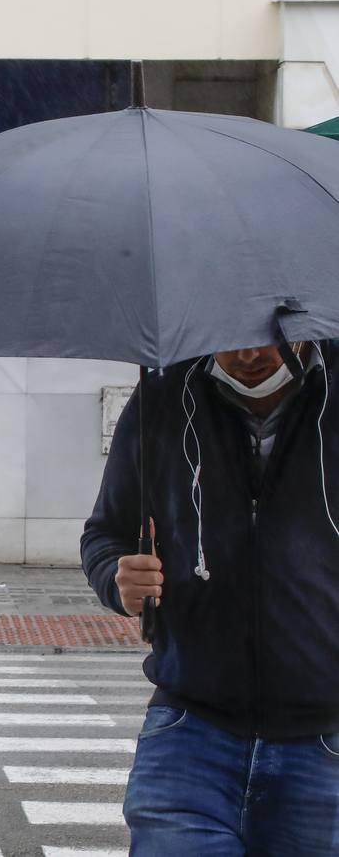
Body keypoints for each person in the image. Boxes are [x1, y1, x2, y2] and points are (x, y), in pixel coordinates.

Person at [82, 340, 339, 855]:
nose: (247, 355)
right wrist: (117, 577)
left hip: (325, 739)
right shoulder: (164, 394)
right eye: (229, 338)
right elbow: (105, 532)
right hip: (188, 731)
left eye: (265, 333)